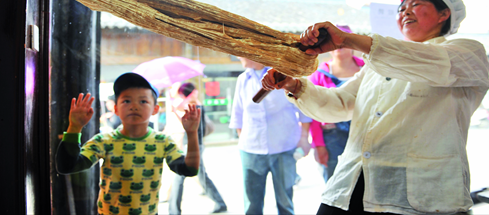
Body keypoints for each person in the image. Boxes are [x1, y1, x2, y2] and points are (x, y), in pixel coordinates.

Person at [261, 0, 489, 215]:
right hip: (351, 181)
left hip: (416, 191)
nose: (405, 13)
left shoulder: (466, 53)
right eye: (401, 9)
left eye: (415, 5)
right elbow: (341, 103)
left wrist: (347, 40)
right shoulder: (376, 64)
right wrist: (294, 85)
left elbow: (425, 62)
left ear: (444, 14)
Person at [56, 72, 200, 215]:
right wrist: (74, 127)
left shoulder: (163, 142)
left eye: (143, 101)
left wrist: (192, 133)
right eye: (126, 101)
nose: (134, 106)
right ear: (116, 109)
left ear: (155, 109)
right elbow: (68, 166)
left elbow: (189, 170)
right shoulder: (104, 141)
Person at [230, 57, 312, 215]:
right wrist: (244, 141)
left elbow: (303, 110)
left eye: (241, 53)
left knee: (285, 202)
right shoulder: (242, 79)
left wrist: (304, 138)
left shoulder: (281, 75)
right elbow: (237, 114)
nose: (238, 57)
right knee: (252, 205)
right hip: (251, 150)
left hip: (284, 148)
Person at [308, 25, 364, 182]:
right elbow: (313, 112)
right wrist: (318, 145)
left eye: (343, 39)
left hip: (364, 134)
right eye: (332, 40)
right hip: (332, 138)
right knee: (334, 182)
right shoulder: (318, 75)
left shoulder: (368, 69)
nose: (338, 44)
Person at [168, 82, 228, 214]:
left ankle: (174, 210)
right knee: (196, 176)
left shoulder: (191, 101)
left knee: (184, 176)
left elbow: (181, 110)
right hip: (194, 142)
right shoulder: (193, 101)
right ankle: (174, 210)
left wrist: (178, 101)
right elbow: (187, 121)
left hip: (193, 144)